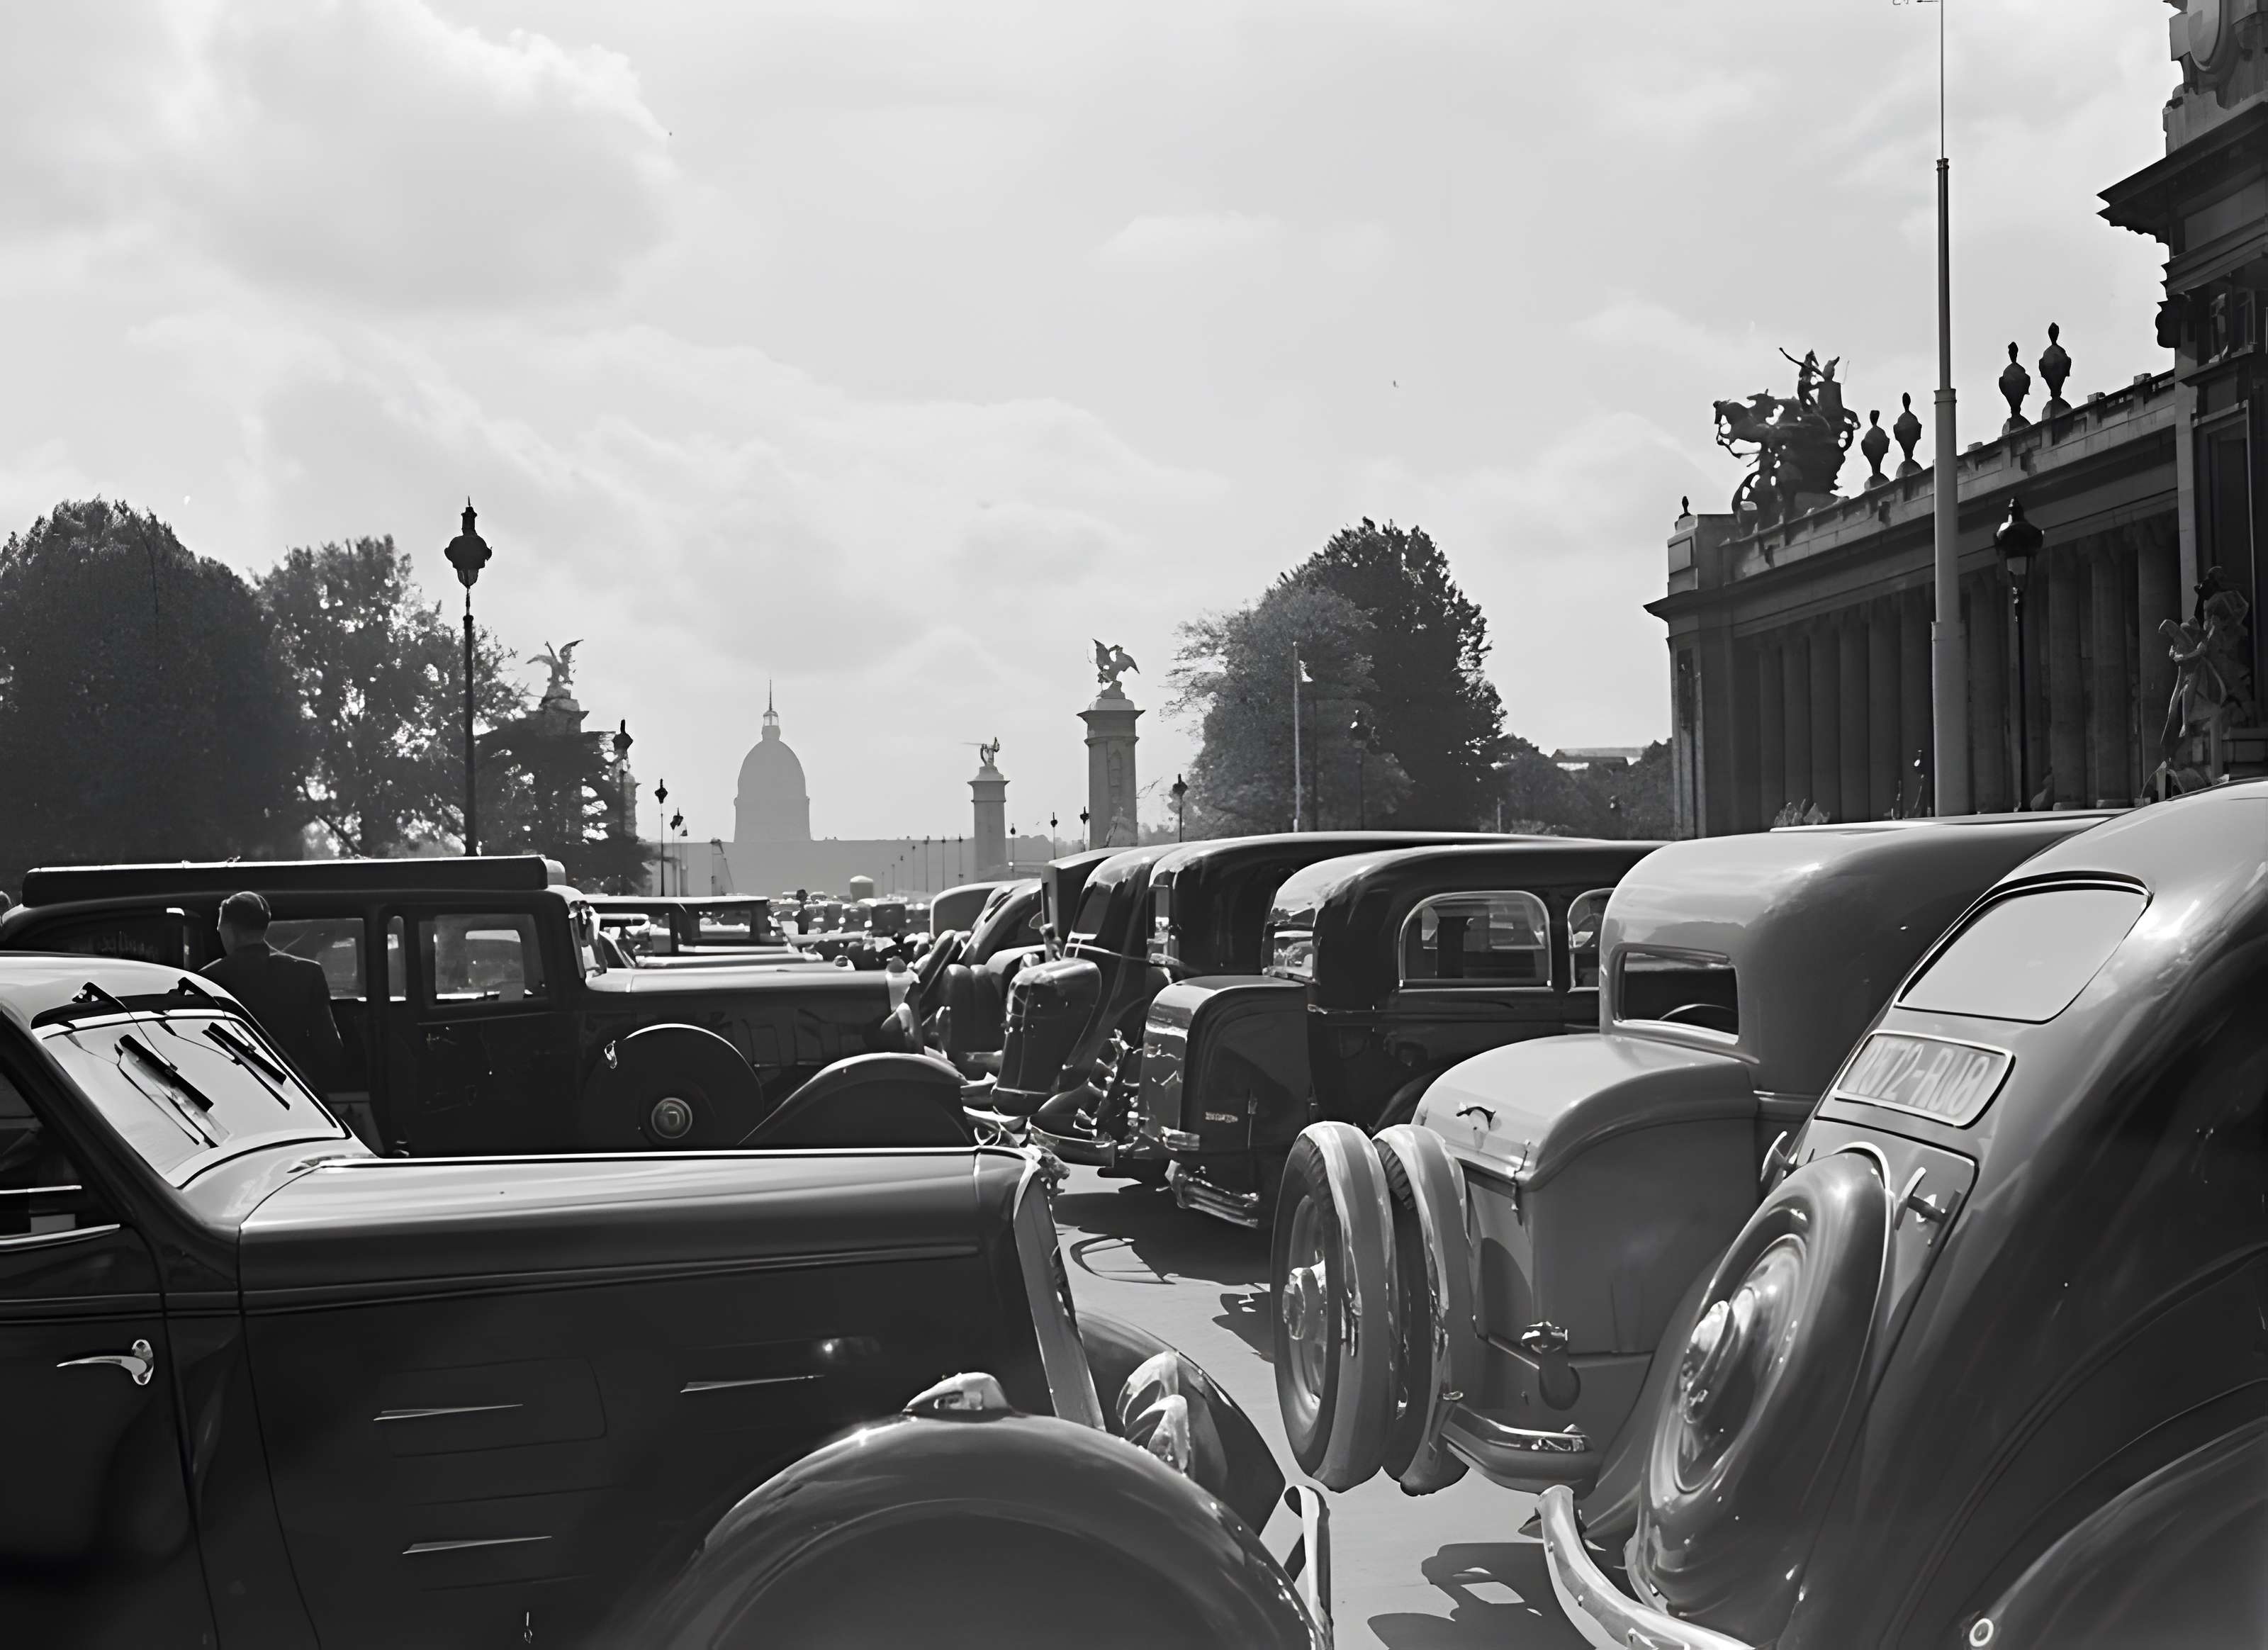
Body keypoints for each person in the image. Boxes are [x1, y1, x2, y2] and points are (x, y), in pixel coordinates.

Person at [203, 890, 346, 1097]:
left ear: (229, 930)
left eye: (220, 929)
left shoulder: (209, 978)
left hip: (238, 1091)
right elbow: (330, 1047)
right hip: (298, 1092)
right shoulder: (308, 973)